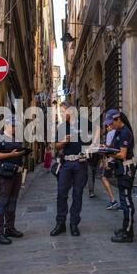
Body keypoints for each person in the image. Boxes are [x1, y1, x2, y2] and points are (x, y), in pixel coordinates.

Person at [50, 101, 88, 237]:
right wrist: (64, 142)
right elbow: (57, 146)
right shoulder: (61, 127)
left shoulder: (83, 124)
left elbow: (96, 130)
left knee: (77, 194)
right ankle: (60, 224)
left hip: (80, 163)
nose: (61, 114)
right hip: (65, 164)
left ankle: (74, 224)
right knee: (62, 194)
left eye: (62, 111)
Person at [0, 116, 26, 245]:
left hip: (16, 173)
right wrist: (11, 155)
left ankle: (10, 228)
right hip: (5, 175)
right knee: (2, 203)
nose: (14, 128)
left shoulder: (16, 138)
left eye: (16, 126)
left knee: (12, 202)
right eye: (12, 126)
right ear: (6, 125)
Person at [105, 110, 137, 243]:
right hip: (121, 169)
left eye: (112, 123)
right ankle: (125, 228)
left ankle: (128, 233)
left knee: (126, 202)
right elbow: (113, 147)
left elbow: (122, 154)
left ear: (118, 119)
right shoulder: (118, 132)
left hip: (126, 169)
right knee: (123, 200)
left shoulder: (125, 132)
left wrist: (108, 153)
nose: (110, 126)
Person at [101, 121, 119, 210]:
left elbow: (108, 148)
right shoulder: (119, 132)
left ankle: (113, 200)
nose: (107, 127)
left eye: (107, 125)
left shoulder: (110, 133)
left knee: (104, 178)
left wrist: (103, 147)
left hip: (111, 159)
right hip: (119, 159)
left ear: (111, 125)